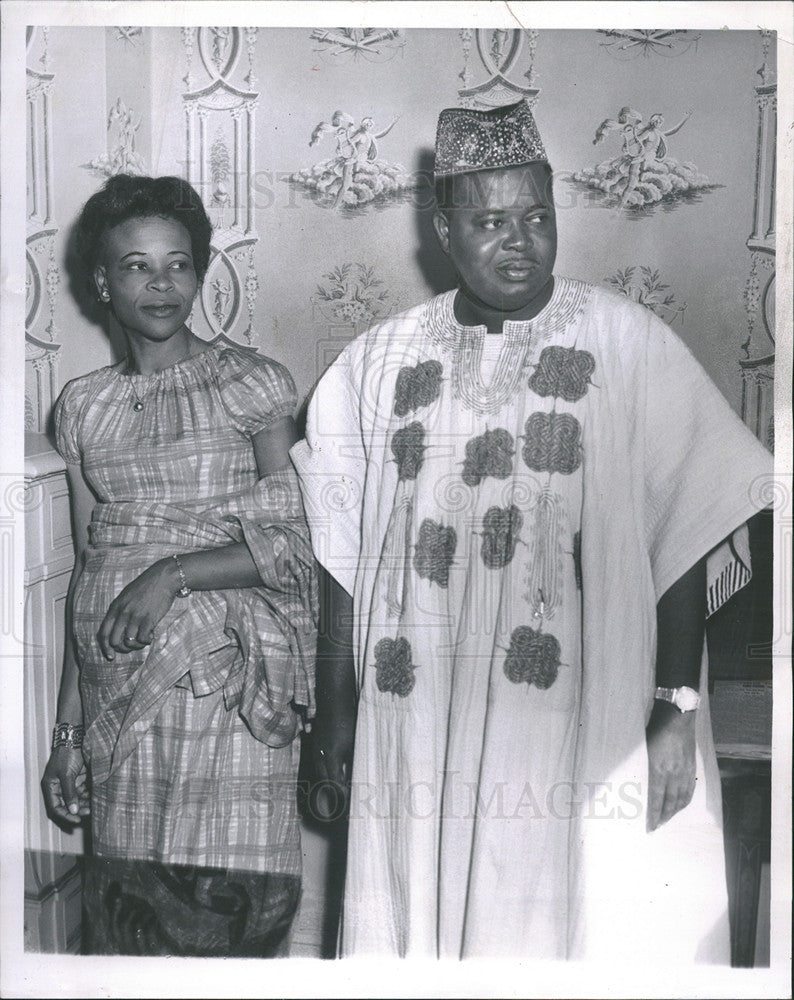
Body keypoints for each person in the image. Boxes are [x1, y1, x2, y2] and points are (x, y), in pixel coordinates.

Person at [290, 100, 773, 960]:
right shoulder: (377, 361)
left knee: (568, 926)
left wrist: (674, 707)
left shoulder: (628, 343)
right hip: (420, 716)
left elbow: (690, 527)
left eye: (537, 218)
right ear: (443, 229)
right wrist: (334, 714)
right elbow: (341, 552)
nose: (520, 241)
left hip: (582, 712)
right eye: (489, 220)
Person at [41, 174, 317, 957]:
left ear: (200, 274)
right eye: (136, 266)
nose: (161, 284)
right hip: (117, 690)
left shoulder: (252, 384)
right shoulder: (82, 406)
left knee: (231, 904)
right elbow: (86, 579)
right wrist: (68, 730)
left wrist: (173, 574)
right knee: (134, 917)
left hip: (224, 684)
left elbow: (297, 544)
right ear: (102, 281)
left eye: (178, 264)